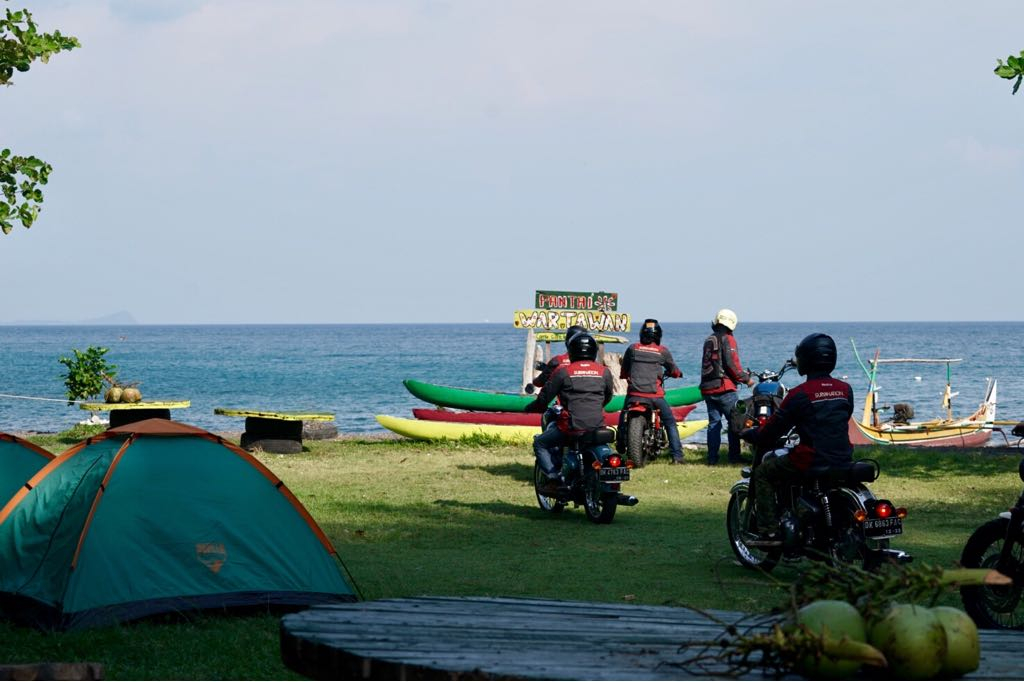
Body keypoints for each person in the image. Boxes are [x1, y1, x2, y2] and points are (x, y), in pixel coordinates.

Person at [745, 333, 854, 537]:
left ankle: (769, 532)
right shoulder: (845, 390)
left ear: (806, 360)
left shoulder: (799, 393)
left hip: (811, 459)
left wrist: (752, 434)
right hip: (843, 457)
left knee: (763, 473)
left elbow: (773, 429)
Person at [525, 331, 614, 494]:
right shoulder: (604, 372)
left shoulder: (563, 371)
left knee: (540, 443)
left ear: (571, 350)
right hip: (598, 427)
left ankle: (553, 478)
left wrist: (531, 407)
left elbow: (544, 398)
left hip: (571, 427)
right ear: (593, 351)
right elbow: (608, 397)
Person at [618, 318, 685, 464]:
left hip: (634, 395)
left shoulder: (632, 348)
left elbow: (624, 370)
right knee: (670, 423)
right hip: (655, 396)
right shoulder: (662, 351)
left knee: (623, 415)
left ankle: (620, 444)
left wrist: (626, 376)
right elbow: (673, 370)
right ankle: (677, 457)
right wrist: (677, 374)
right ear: (658, 335)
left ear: (642, 334)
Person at [699, 308, 756, 465]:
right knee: (736, 421)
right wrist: (746, 379)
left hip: (707, 388)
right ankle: (734, 456)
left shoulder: (709, 339)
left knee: (714, 424)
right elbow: (732, 364)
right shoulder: (728, 339)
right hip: (724, 388)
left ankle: (712, 459)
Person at [525, 324, 587, 393]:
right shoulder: (596, 367)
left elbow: (539, 382)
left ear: (567, 342)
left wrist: (545, 370)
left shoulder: (558, 361)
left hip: (565, 402)